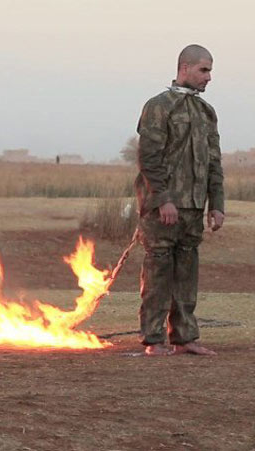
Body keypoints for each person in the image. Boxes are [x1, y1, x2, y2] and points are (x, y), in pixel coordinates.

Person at [134, 44, 224, 356]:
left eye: (210, 70)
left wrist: (217, 205)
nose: (209, 77)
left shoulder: (205, 112)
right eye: (203, 70)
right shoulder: (159, 106)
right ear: (184, 68)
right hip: (163, 210)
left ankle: (184, 338)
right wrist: (163, 200)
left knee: (187, 273)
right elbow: (149, 158)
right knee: (158, 272)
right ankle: (153, 339)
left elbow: (214, 162)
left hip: (193, 209)